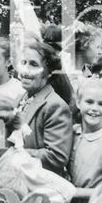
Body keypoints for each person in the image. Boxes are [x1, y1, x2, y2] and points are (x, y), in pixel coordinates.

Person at [17, 41, 74, 174]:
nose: (25, 69)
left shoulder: (55, 106)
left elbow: (56, 156)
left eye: (33, 64)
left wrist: (15, 155)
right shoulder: (20, 98)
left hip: (42, 183)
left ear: (48, 73)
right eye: (23, 63)